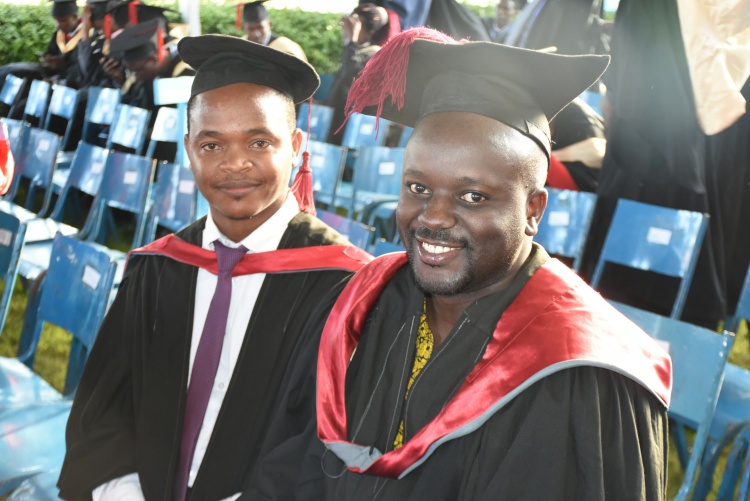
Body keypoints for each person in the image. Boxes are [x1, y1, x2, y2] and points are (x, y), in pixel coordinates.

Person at [249, 28, 672, 500]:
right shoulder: (358, 305)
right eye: (418, 188)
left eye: (473, 196)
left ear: (533, 210)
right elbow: (287, 465)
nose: (433, 218)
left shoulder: (582, 374)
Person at [57, 34, 372, 500]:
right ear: (188, 149)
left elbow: (328, 446)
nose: (235, 164)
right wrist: (122, 492)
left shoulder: (343, 284)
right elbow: (105, 405)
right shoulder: (158, 267)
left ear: (296, 145)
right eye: (211, 145)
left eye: (259, 141)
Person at [326, 3, 390, 144]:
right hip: (335, 119)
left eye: (355, 25)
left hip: (351, 127)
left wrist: (352, 40)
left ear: (370, 31)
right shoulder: (352, 51)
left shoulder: (375, 54)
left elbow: (350, 77)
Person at [107, 17, 195, 112]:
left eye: (138, 70)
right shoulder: (147, 75)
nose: (137, 76)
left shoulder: (188, 71)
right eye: (132, 72)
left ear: (154, 59)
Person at [238, 0, 307, 62]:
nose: (256, 34)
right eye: (251, 29)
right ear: (244, 28)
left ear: (269, 24)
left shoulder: (286, 48)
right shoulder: (239, 46)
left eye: (260, 27)